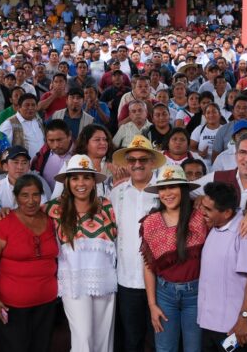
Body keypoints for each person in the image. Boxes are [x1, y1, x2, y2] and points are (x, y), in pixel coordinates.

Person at [45, 155, 117, 352]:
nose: (81, 183)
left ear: (94, 181)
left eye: (86, 177)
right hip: (73, 283)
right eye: (75, 178)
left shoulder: (108, 206)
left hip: (105, 281)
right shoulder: (54, 208)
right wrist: (5, 210)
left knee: (103, 339)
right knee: (82, 339)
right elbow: (26, 216)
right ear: (67, 182)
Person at [0, 174, 59, 352]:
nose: (31, 200)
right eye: (25, 195)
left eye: (36, 195)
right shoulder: (4, 224)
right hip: (12, 307)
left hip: (47, 303)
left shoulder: (51, 221)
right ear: (16, 197)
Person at [109, 135, 166, 352]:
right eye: (132, 160)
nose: (137, 164)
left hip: (161, 281)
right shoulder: (117, 192)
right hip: (126, 280)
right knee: (131, 340)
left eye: (143, 159)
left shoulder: (165, 190)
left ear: (152, 162)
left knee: (158, 339)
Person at [141, 165, 206, 352]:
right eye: (162, 188)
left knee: (194, 349)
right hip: (164, 295)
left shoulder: (201, 216)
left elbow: (230, 214)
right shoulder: (150, 222)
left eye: (173, 187)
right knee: (164, 349)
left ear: (183, 190)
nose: (167, 193)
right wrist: (152, 305)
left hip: (197, 293)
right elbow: (148, 266)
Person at [197, 181, 247, 352]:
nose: (202, 212)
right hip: (209, 325)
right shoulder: (215, 227)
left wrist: (243, 319)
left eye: (208, 209)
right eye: (202, 206)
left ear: (227, 212)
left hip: (235, 329)